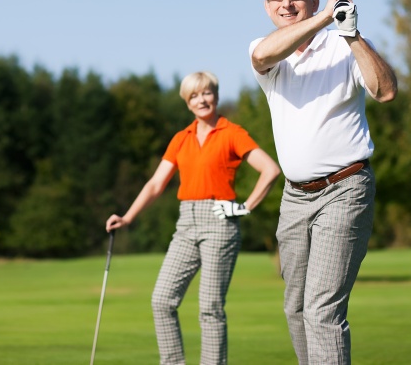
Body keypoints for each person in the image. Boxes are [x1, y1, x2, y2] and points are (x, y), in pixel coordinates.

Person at [248, 0, 398, 364]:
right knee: (295, 308)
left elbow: (385, 91)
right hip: (295, 199)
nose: (286, 4)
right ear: (267, 8)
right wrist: (325, 16)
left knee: (321, 311)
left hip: (346, 190)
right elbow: (264, 54)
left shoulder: (344, 46)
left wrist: (351, 34)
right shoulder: (265, 50)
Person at [106, 71, 280, 365]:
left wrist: (244, 206)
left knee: (210, 307)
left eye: (207, 93)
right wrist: (127, 217)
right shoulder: (180, 139)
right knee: (162, 300)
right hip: (186, 223)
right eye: (194, 96)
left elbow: (270, 170)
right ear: (187, 103)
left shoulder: (232, 133)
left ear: (216, 95)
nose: (202, 99)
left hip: (220, 223)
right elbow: (155, 184)